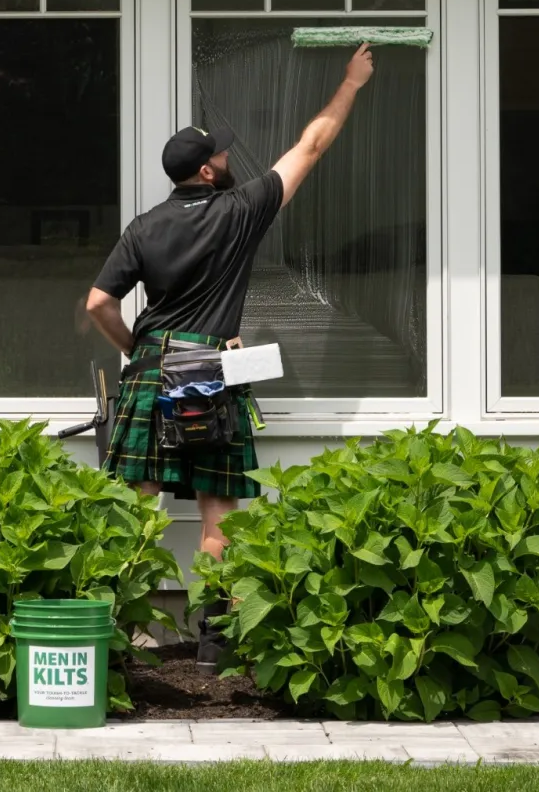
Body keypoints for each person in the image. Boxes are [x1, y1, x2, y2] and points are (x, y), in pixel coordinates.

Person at [84, 43, 376, 673]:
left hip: (155, 368)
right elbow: (311, 146)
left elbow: (98, 303)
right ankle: (217, 645)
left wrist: (135, 349)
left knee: (137, 509)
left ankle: (115, 640)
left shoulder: (143, 227)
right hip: (211, 373)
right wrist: (350, 84)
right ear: (210, 172)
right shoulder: (240, 212)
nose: (226, 155)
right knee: (218, 514)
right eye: (220, 151)